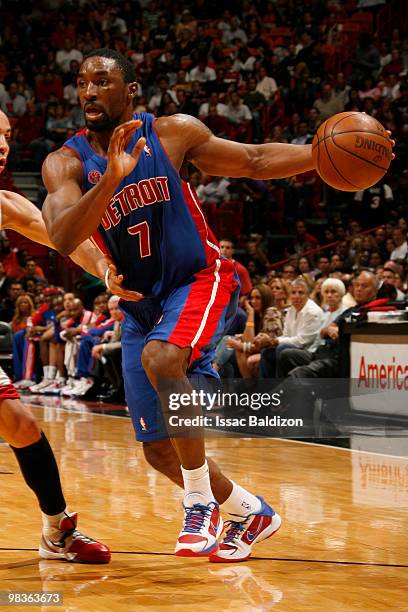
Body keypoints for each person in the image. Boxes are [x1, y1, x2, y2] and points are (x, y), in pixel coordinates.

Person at [40, 48, 347, 562]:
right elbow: (62, 234)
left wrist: (319, 156)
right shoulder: (65, 162)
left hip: (200, 279)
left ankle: (199, 503)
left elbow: (252, 160)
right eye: (82, 82)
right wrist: (112, 178)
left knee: (161, 359)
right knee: (159, 450)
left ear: (130, 90)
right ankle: (251, 511)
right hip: (142, 304)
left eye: (102, 81)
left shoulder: (171, 133)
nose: (89, 91)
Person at [0, 108, 138, 563]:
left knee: (21, 425)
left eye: (7, 135)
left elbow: (64, 237)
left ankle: (56, 531)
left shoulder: (6, 205)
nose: (3, 144)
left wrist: (104, 269)